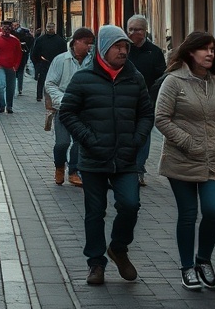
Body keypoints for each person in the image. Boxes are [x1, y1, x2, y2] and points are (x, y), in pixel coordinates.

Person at [59, 24, 154, 286]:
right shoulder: (84, 78)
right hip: (93, 158)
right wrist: (89, 139)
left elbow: (146, 113)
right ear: (103, 49)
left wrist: (136, 140)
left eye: (125, 47)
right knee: (95, 212)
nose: (123, 51)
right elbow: (67, 112)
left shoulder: (134, 78)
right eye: (117, 47)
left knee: (130, 205)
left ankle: (119, 248)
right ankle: (96, 263)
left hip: (125, 157)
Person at [155, 30, 215, 291]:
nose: (210, 53)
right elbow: (161, 118)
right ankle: (187, 267)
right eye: (204, 49)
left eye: (212, 49)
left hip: (213, 159)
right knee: (188, 214)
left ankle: (204, 260)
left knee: (213, 211)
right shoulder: (173, 81)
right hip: (181, 159)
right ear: (190, 51)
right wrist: (189, 142)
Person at [44, 27, 94, 187]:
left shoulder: (92, 61)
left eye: (91, 43)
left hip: (83, 108)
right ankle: (59, 166)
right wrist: (62, 100)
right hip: (64, 108)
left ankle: (74, 171)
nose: (89, 47)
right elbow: (50, 83)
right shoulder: (61, 60)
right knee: (62, 143)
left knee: (79, 141)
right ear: (76, 42)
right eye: (86, 43)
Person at [126, 14, 166, 186]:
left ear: (145, 31)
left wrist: (152, 98)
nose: (133, 33)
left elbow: (161, 77)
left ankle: (138, 169)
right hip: (125, 100)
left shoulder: (154, 52)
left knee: (143, 135)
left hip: (146, 102)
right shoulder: (123, 49)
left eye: (138, 29)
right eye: (130, 29)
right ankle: (127, 167)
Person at [0, 21, 22, 114]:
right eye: (4, 28)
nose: (6, 30)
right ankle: (2, 106)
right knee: (1, 85)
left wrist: (16, 66)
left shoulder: (15, 40)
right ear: (1, 28)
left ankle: (9, 106)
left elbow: (19, 54)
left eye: (8, 28)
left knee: (11, 87)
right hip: (0, 66)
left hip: (11, 67)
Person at [32, 22, 66, 102]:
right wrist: (38, 63)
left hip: (56, 63)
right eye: (49, 27)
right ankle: (39, 96)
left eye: (52, 27)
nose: (50, 29)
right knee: (42, 79)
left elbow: (64, 53)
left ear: (54, 28)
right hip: (44, 62)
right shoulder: (40, 39)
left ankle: (54, 95)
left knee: (55, 80)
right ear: (46, 28)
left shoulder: (60, 40)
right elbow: (35, 52)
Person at [14, 25, 34, 96]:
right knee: (21, 72)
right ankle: (20, 88)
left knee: (14, 72)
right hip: (24, 57)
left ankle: (15, 87)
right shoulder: (29, 38)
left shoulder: (16, 37)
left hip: (15, 57)